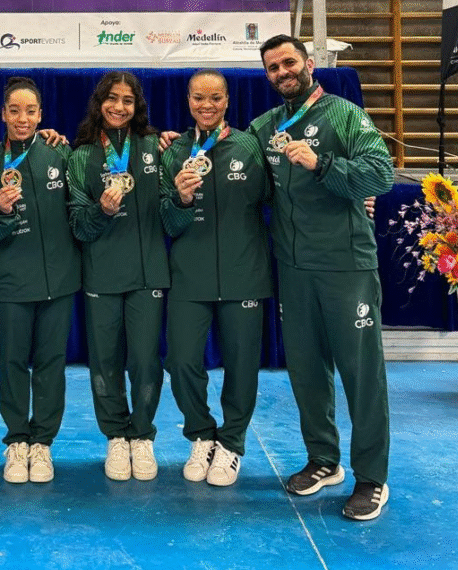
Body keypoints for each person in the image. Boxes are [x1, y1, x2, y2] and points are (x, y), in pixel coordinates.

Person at [248, 34, 393, 520]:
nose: (282, 72)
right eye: (272, 68)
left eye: (288, 62)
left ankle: (371, 477)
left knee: (361, 374)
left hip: (345, 265)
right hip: (293, 268)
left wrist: (323, 163)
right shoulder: (264, 126)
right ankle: (323, 460)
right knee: (307, 372)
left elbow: (381, 176)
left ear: (308, 64)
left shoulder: (344, 115)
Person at [159, 69, 272, 486]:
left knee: (242, 366)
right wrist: (182, 198)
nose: (207, 106)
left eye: (216, 98)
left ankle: (231, 443)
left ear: (228, 100)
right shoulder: (173, 153)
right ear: (187, 101)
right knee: (183, 361)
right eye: (198, 98)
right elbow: (167, 222)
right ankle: (201, 435)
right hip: (189, 276)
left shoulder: (250, 146)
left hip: (245, 275)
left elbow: (281, 198)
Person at [0, 77, 81, 484]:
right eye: (14, 111)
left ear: (41, 115)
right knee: (14, 364)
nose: (22, 118)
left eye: (30, 111)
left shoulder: (60, 150)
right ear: (2, 114)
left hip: (60, 280)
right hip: (12, 284)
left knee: (52, 365)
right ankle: (17, 442)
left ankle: (43, 444)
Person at [68, 72, 169, 481]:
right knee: (105, 363)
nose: (119, 107)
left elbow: (174, 202)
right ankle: (115, 437)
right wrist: (100, 211)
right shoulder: (81, 156)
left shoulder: (155, 145)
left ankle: (141, 436)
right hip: (101, 273)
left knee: (145, 361)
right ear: (99, 102)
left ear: (137, 105)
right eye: (112, 99)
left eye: (128, 100)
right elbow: (76, 223)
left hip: (148, 274)